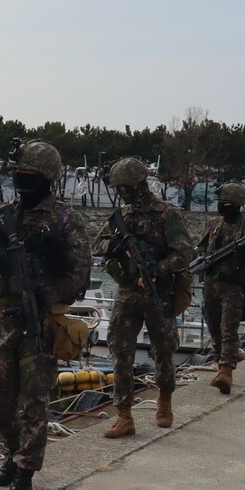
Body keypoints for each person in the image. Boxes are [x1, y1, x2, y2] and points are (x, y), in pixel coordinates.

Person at [0, 140, 91, 490]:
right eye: (19, 175)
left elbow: (80, 273)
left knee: (32, 401)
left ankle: (24, 475)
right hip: (1, 319)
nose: (22, 181)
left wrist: (45, 287)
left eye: (30, 176)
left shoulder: (65, 219)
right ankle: (11, 452)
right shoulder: (1, 215)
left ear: (47, 179)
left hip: (40, 320)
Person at [93, 157, 194, 437]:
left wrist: (158, 269)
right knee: (120, 353)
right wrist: (115, 244)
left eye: (125, 186)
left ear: (138, 183)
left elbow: (184, 253)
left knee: (163, 350)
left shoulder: (166, 213)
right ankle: (124, 415)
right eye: (118, 187)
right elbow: (97, 243)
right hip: (127, 293)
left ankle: (164, 402)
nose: (122, 191)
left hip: (159, 292)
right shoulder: (121, 217)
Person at [197, 183, 245, 394]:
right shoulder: (213, 225)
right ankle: (221, 362)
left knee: (228, 327)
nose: (221, 207)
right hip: (211, 283)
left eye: (226, 203)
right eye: (219, 203)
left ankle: (226, 371)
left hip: (234, 286)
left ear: (237, 205)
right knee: (212, 325)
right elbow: (200, 249)